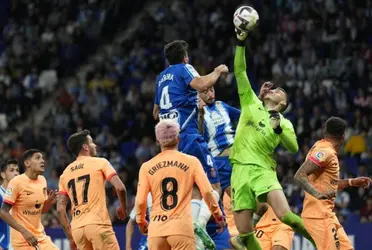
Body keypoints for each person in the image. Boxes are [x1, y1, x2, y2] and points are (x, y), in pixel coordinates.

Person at [229, 28, 315, 250]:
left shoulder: (284, 122)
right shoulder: (250, 102)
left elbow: (294, 148)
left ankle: (321, 242)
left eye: (279, 91)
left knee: (285, 215)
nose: (273, 89)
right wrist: (241, 41)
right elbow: (240, 71)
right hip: (239, 171)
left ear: (283, 103)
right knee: (244, 235)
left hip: (263, 171)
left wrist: (278, 130)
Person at [153, 39, 229, 248]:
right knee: (213, 185)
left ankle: (191, 228)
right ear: (185, 57)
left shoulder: (161, 78)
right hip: (188, 135)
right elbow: (202, 84)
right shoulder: (184, 69)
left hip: (171, 142)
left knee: (191, 186)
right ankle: (199, 224)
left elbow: (155, 112)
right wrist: (217, 71)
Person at [135, 119, 226, 250]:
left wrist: (141, 221)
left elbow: (140, 201)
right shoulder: (192, 162)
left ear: (157, 141)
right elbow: (207, 192)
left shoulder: (146, 167)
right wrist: (217, 215)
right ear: (178, 139)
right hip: (181, 229)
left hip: (156, 231)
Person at [295, 116, 372, 250]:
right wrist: (317, 194)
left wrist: (351, 182)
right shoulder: (325, 152)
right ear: (343, 137)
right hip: (318, 217)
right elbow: (299, 175)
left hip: (327, 215)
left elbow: (328, 184)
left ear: (325, 132)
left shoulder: (320, 147)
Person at [57, 130, 128, 250]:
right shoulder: (100, 163)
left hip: (78, 230)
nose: (94, 145)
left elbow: (60, 209)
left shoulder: (65, 174)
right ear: (85, 147)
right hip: (98, 224)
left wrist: (70, 237)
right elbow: (120, 188)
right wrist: (123, 208)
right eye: (92, 143)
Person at [0, 149, 58, 250]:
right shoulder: (16, 182)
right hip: (22, 239)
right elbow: (3, 212)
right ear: (27, 163)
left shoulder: (42, 180)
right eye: (37, 158)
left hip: (40, 236)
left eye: (43, 158)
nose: (42, 161)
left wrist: (49, 202)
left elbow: (41, 211)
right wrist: (24, 231)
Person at [0, 159, 19, 250]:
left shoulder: (20, 196)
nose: (16, 173)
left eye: (17, 170)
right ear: (3, 175)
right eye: (12, 170)